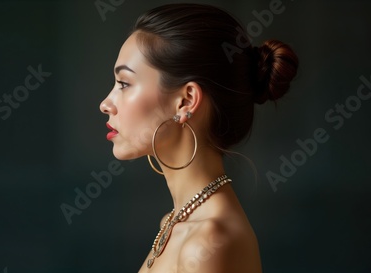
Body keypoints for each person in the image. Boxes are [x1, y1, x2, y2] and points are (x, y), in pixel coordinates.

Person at [99, 3, 298, 272]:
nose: (105, 104)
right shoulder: (174, 223)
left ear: (186, 100)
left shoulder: (209, 241)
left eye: (124, 83)